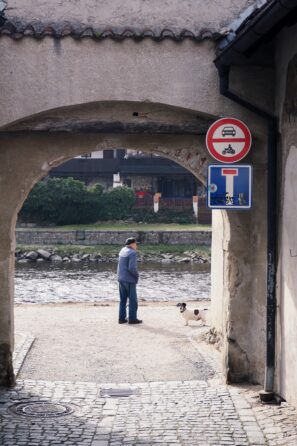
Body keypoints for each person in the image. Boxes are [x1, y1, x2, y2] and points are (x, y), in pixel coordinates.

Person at [117, 237, 142, 324]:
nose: (136, 245)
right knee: (133, 300)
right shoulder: (132, 253)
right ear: (132, 244)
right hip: (129, 279)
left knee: (122, 300)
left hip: (121, 278)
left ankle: (121, 318)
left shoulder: (122, 250)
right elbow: (132, 268)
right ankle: (132, 319)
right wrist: (137, 276)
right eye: (136, 243)